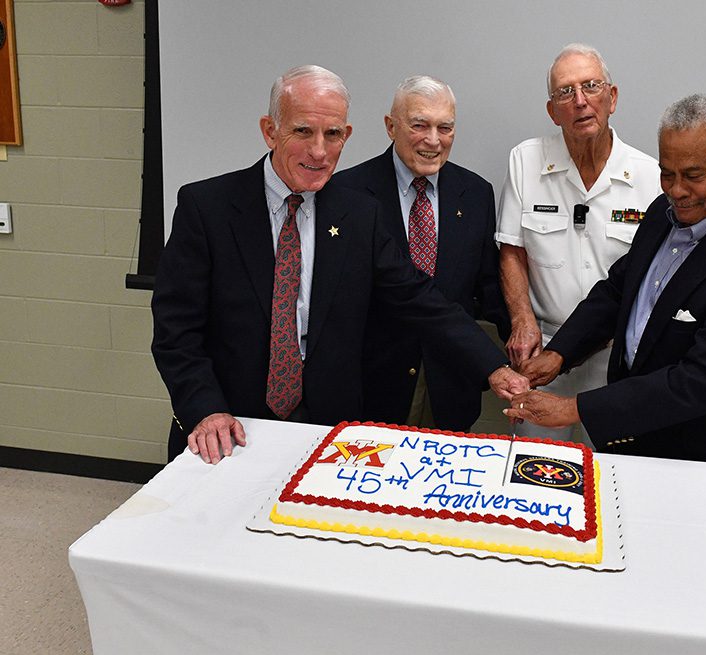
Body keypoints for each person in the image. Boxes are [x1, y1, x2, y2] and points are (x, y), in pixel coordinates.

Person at [151, 65, 527, 464]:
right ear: (270, 130)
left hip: (330, 432)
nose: (319, 151)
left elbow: (419, 298)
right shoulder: (207, 208)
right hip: (228, 426)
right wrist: (206, 407)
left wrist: (494, 367)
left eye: (332, 135)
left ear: (346, 136)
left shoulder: (360, 215)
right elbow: (177, 329)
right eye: (302, 131)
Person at [505, 94, 706, 525]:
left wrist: (574, 410)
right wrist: (560, 352)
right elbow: (618, 291)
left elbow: (699, 383)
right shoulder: (664, 215)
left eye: (693, 175)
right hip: (636, 451)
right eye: (667, 173)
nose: (676, 190)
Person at [495, 43, 660, 446]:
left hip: (616, 357)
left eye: (591, 86)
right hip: (543, 352)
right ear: (553, 110)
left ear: (612, 98)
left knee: (604, 476)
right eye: (566, 92)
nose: (581, 101)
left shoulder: (650, 176)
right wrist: (521, 320)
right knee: (534, 476)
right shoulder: (526, 160)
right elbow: (512, 250)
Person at [331, 76, 509, 431]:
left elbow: (488, 285)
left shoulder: (475, 193)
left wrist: (519, 343)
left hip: (450, 384)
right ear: (390, 127)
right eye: (419, 125)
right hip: (371, 385)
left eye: (445, 127)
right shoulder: (346, 193)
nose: (433, 140)